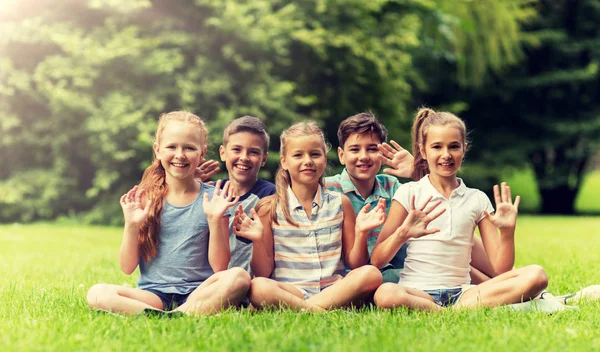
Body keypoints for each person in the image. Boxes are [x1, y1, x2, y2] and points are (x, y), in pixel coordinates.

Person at [371, 108, 548, 310]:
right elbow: (377, 259)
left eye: (453, 147)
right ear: (422, 150)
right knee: (386, 294)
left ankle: (452, 309)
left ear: (464, 148)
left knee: (536, 275)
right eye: (437, 147)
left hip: (464, 292)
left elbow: (500, 269)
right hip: (417, 291)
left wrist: (507, 233)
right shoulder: (409, 193)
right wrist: (402, 233)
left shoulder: (477, 199)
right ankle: (449, 311)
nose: (446, 155)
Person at [86, 111, 251, 316]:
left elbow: (220, 267)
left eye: (189, 148)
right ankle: (183, 315)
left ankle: (178, 314)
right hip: (153, 294)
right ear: (157, 150)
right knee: (96, 293)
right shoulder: (145, 199)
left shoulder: (214, 200)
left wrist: (215, 219)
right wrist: (131, 225)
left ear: (202, 153)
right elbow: (127, 267)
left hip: (199, 292)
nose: (180, 155)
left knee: (239, 277)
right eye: (172, 147)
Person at [232, 121, 386, 312]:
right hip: (291, 290)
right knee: (258, 286)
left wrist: (361, 232)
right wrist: (256, 240)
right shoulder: (268, 208)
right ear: (284, 162)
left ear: (324, 158)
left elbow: (356, 264)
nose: (308, 161)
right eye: (298, 155)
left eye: (315, 154)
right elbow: (263, 271)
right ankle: (318, 310)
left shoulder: (340, 203)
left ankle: (304, 309)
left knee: (371, 273)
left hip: (333, 289)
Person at [324, 112, 414, 283]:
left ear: (383, 153)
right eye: (355, 149)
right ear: (342, 155)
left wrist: (417, 172)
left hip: (392, 272)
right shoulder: (326, 189)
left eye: (372, 149)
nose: (364, 157)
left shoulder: (391, 186)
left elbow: (436, 200)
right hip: (348, 279)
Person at [215, 116, 276, 274]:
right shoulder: (212, 193)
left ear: (264, 159)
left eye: (253, 152)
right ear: (223, 153)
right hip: (216, 282)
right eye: (237, 149)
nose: (244, 157)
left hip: (255, 282)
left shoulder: (270, 195)